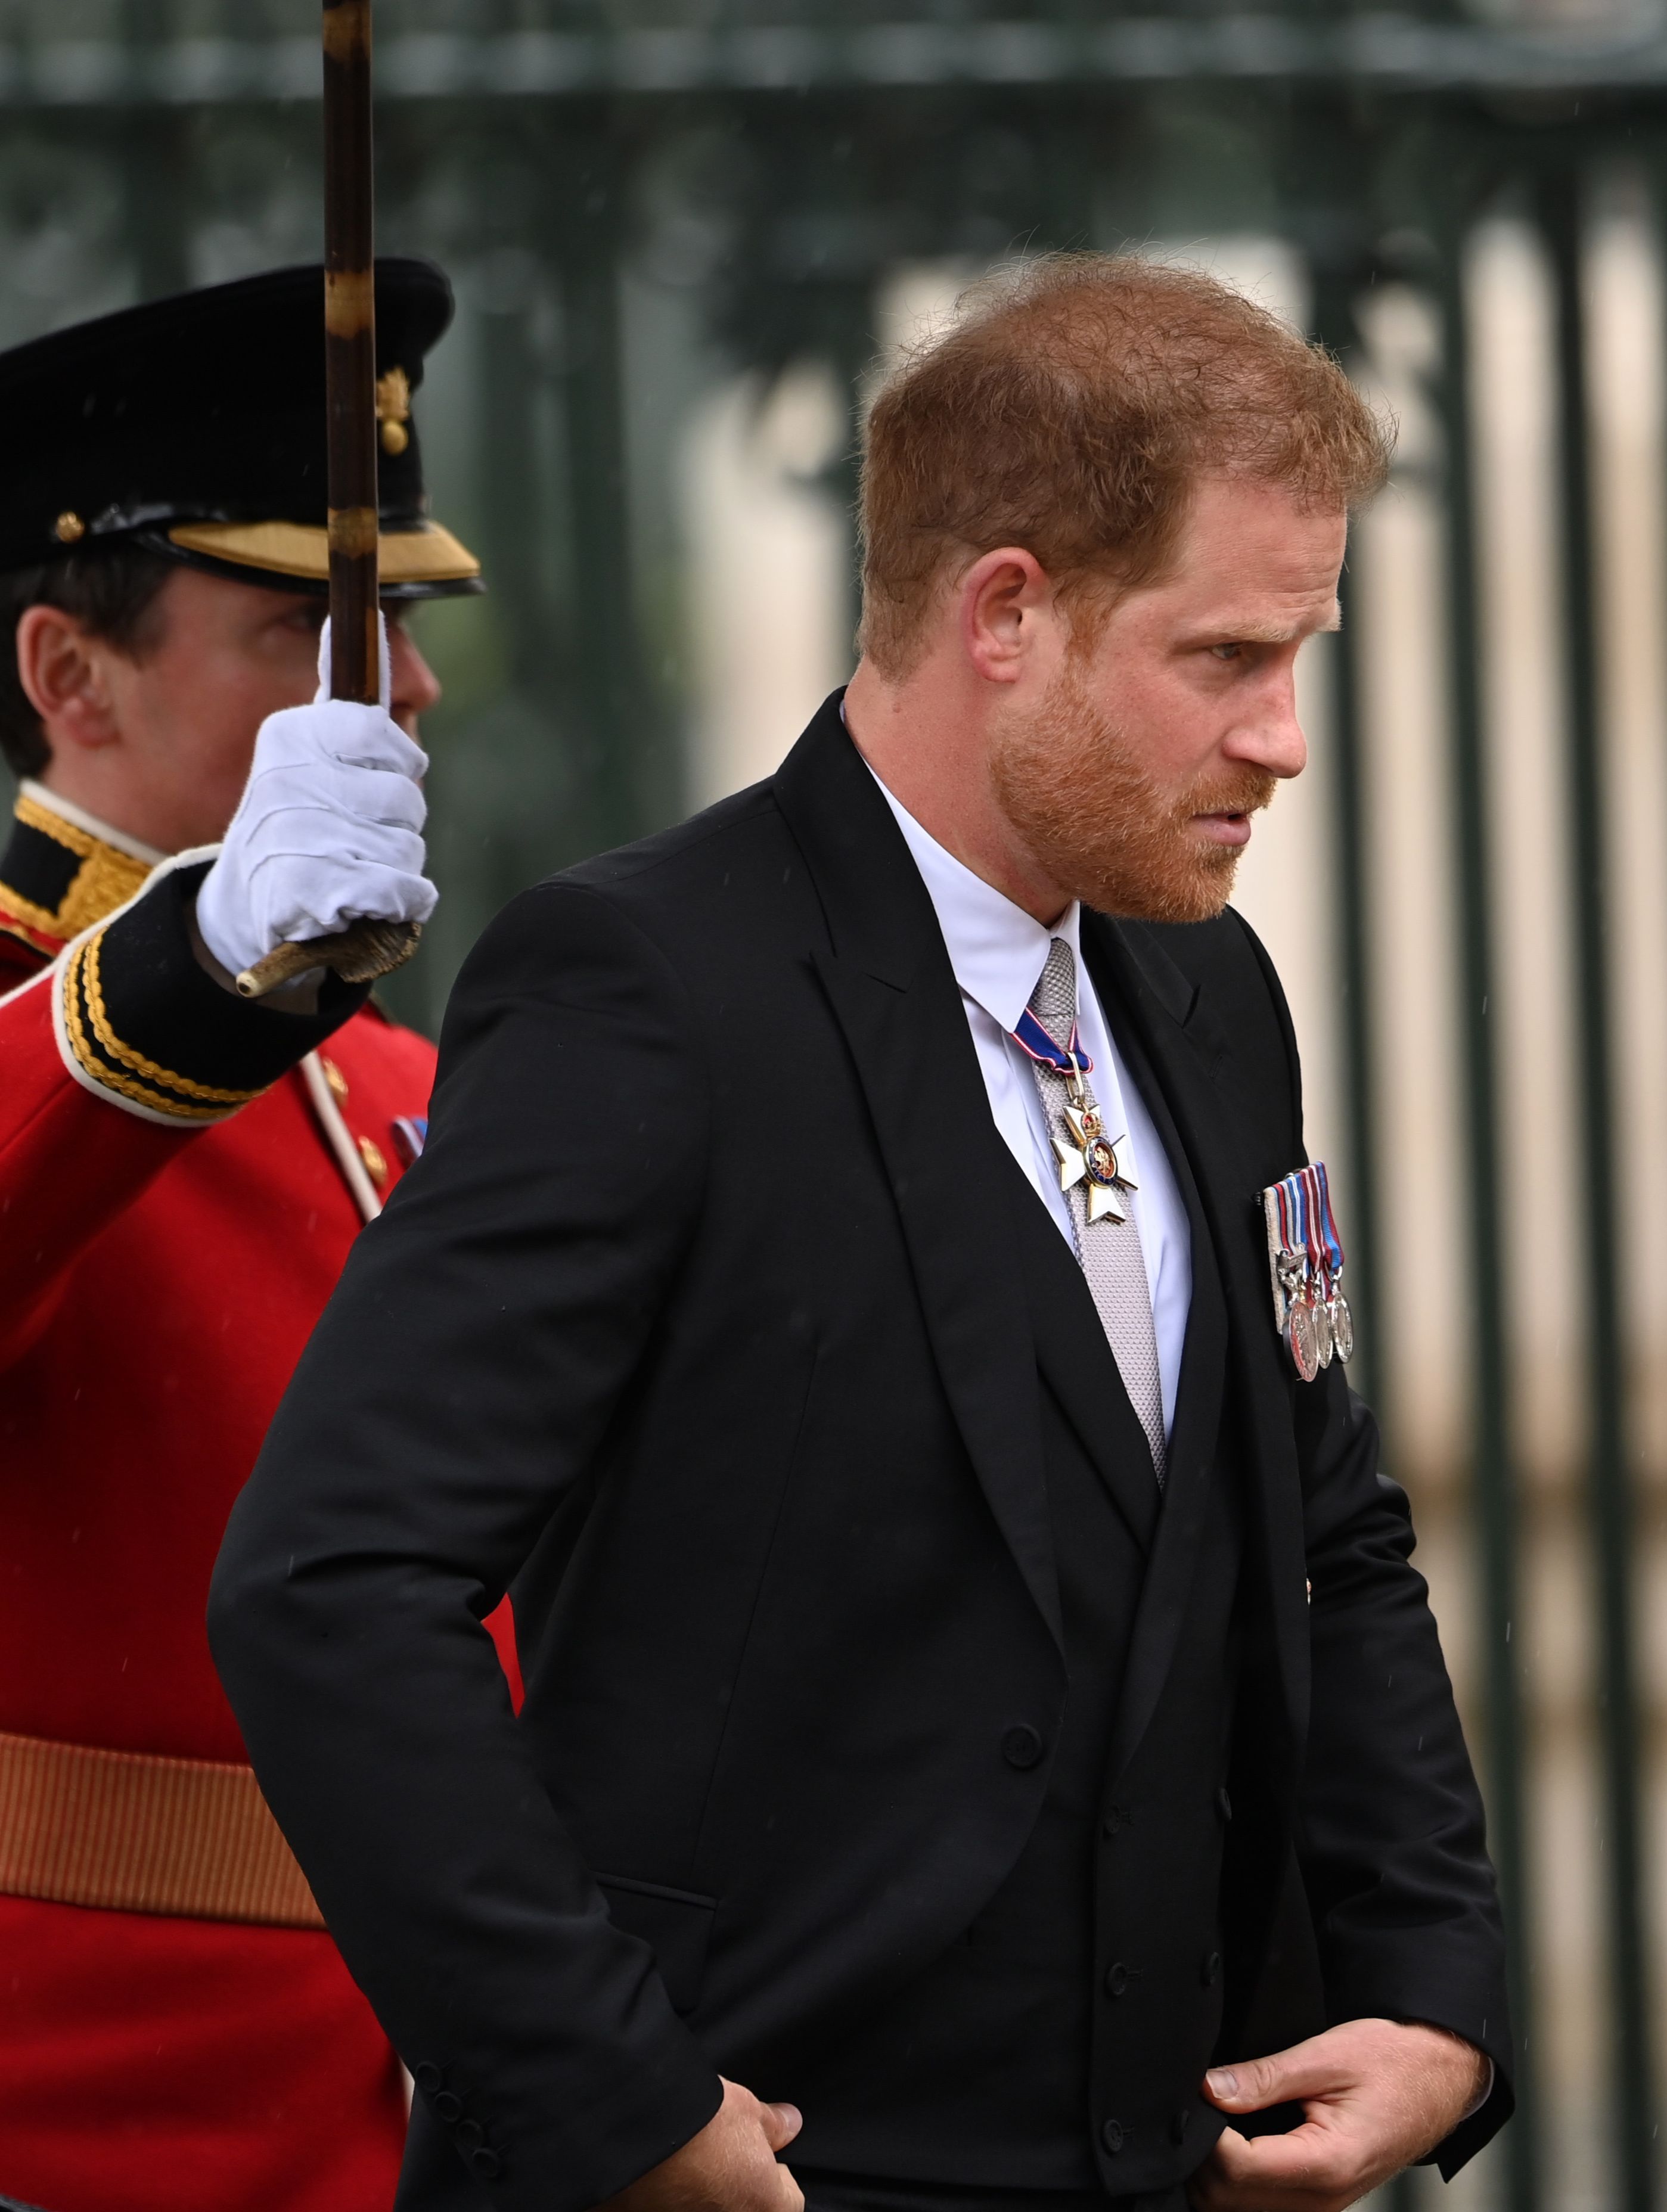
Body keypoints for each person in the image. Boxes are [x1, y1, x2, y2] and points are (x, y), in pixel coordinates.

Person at [210, 256, 1512, 2212]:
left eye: (1298, 656)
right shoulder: (646, 986)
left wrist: (1430, 1994)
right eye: (1228, 657)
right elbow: (332, 1582)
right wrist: (609, 2095)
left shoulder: (1210, 994)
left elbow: (1326, 1533)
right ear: (1006, 613)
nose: (1284, 739)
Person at [0, 259, 514, 2212]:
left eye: (399, 625)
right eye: (311, 622)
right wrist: (193, 974)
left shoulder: (397, 1082)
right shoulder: (57, 1027)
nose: (399, 688)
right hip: (91, 2119)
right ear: (72, 677)